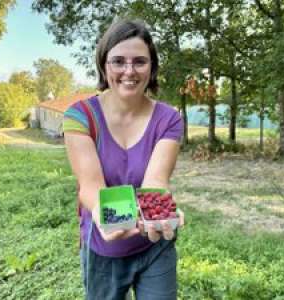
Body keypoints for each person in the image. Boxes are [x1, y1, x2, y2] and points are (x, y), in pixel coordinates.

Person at [63, 19, 185, 300]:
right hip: (103, 252)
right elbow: (91, 187)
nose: (129, 71)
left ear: (151, 67)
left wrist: (161, 214)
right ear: (104, 65)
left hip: (155, 247)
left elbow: (156, 181)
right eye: (118, 61)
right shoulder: (80, 116)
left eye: (139, 62)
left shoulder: (168, 118)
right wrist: (107, 218)